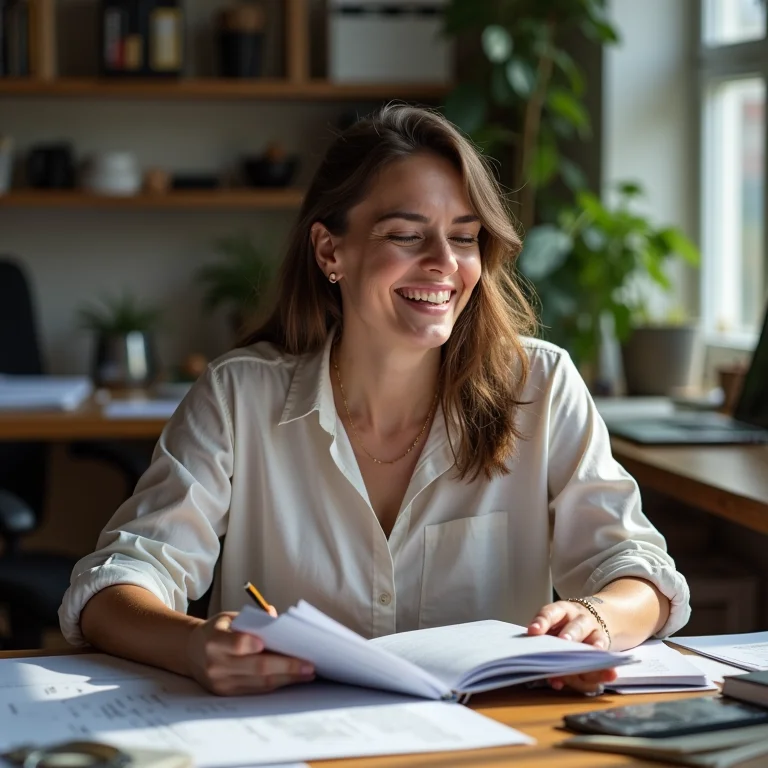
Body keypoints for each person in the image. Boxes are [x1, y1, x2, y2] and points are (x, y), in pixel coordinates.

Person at [60, 104, 690, 697]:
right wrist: (195, 645)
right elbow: (116, 583)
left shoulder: (541, 386)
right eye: (406, 235)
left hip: (484, 747)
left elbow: (640, 571)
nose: (444, 263)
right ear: (331, 251)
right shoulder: (238, 395)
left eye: (465, 237)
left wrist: (597, 618)